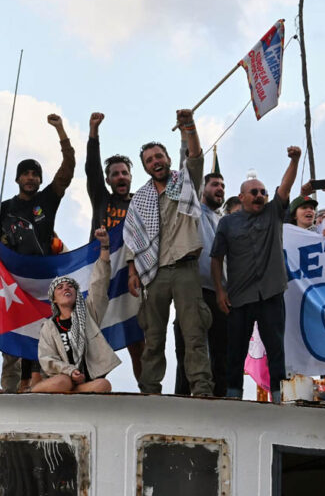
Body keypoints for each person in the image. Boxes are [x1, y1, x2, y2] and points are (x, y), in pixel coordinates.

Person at [124, 108, 214, 397]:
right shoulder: (140, 198)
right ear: (146, 167)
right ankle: (150, 393)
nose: (155, 162)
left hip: (185, 269)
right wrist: (132, 272)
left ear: (167, 158)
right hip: (155, 273)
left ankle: (202, 391)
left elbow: (196, 157)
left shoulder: (184, 182)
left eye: (158, 156)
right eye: (149, 160)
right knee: (153, 338)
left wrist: (189, 127)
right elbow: (133, 239)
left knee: (194, 334)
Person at [0, 114, 75, 392]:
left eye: (35, 173)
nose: (30, 178)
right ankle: (9, 390)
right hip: (11, 285)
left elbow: (68, 169)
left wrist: (61, 131)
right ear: (17, 178)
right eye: (25, 173)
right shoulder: (3, 209)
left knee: (44, 337)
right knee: (13, 338)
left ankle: (41, 387)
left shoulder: (46, 200)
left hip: (43, 284)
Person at [211, 146, 302, 401]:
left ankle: (277, 398)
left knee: (276, 351)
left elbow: (285, 187)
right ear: (241, 197)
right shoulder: (227, 223)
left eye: (263, 192)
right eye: (255, 192)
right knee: (235, 352)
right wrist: (220, 290)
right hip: (239, 299)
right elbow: (216, 258)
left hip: (271, 295)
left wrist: (294, 160)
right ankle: (233, 398)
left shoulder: (274, 214)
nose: (260, 195)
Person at [85, 112, 145, 380]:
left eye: (124, 173)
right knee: (95, 333)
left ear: (131, 176)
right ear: (108, 180)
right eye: (114, 174)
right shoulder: (101, 198)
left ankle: (147, 391)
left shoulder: (141, 204)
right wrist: (93, 133)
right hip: (102, 272)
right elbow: (92, 169)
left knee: (138, 337)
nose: (120, 177)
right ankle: (97, 388)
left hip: (133, 275)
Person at [34, 227, 121, 393]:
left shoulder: (88, 313)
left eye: (70, 286)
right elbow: (47, 358)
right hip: (62, 379)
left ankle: (72, 395)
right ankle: (32, 394)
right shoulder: (49, 326)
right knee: (62, 382)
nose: (66, 288)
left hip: (84, 384)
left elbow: (99, 283)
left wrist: (104, 247)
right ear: (54, 299)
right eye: (60, 287)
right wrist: (70, 371)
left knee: (104, 385)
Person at [174, 171, 228, 396]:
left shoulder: (223, 221)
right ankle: (184, 402)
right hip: (194, 292)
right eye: (215, 184)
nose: (220, 189)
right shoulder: (193, 211)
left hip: (220, 295)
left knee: (220, 354)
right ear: (203, 189)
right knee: (190, 352)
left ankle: (220, 402)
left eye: (223, 186)